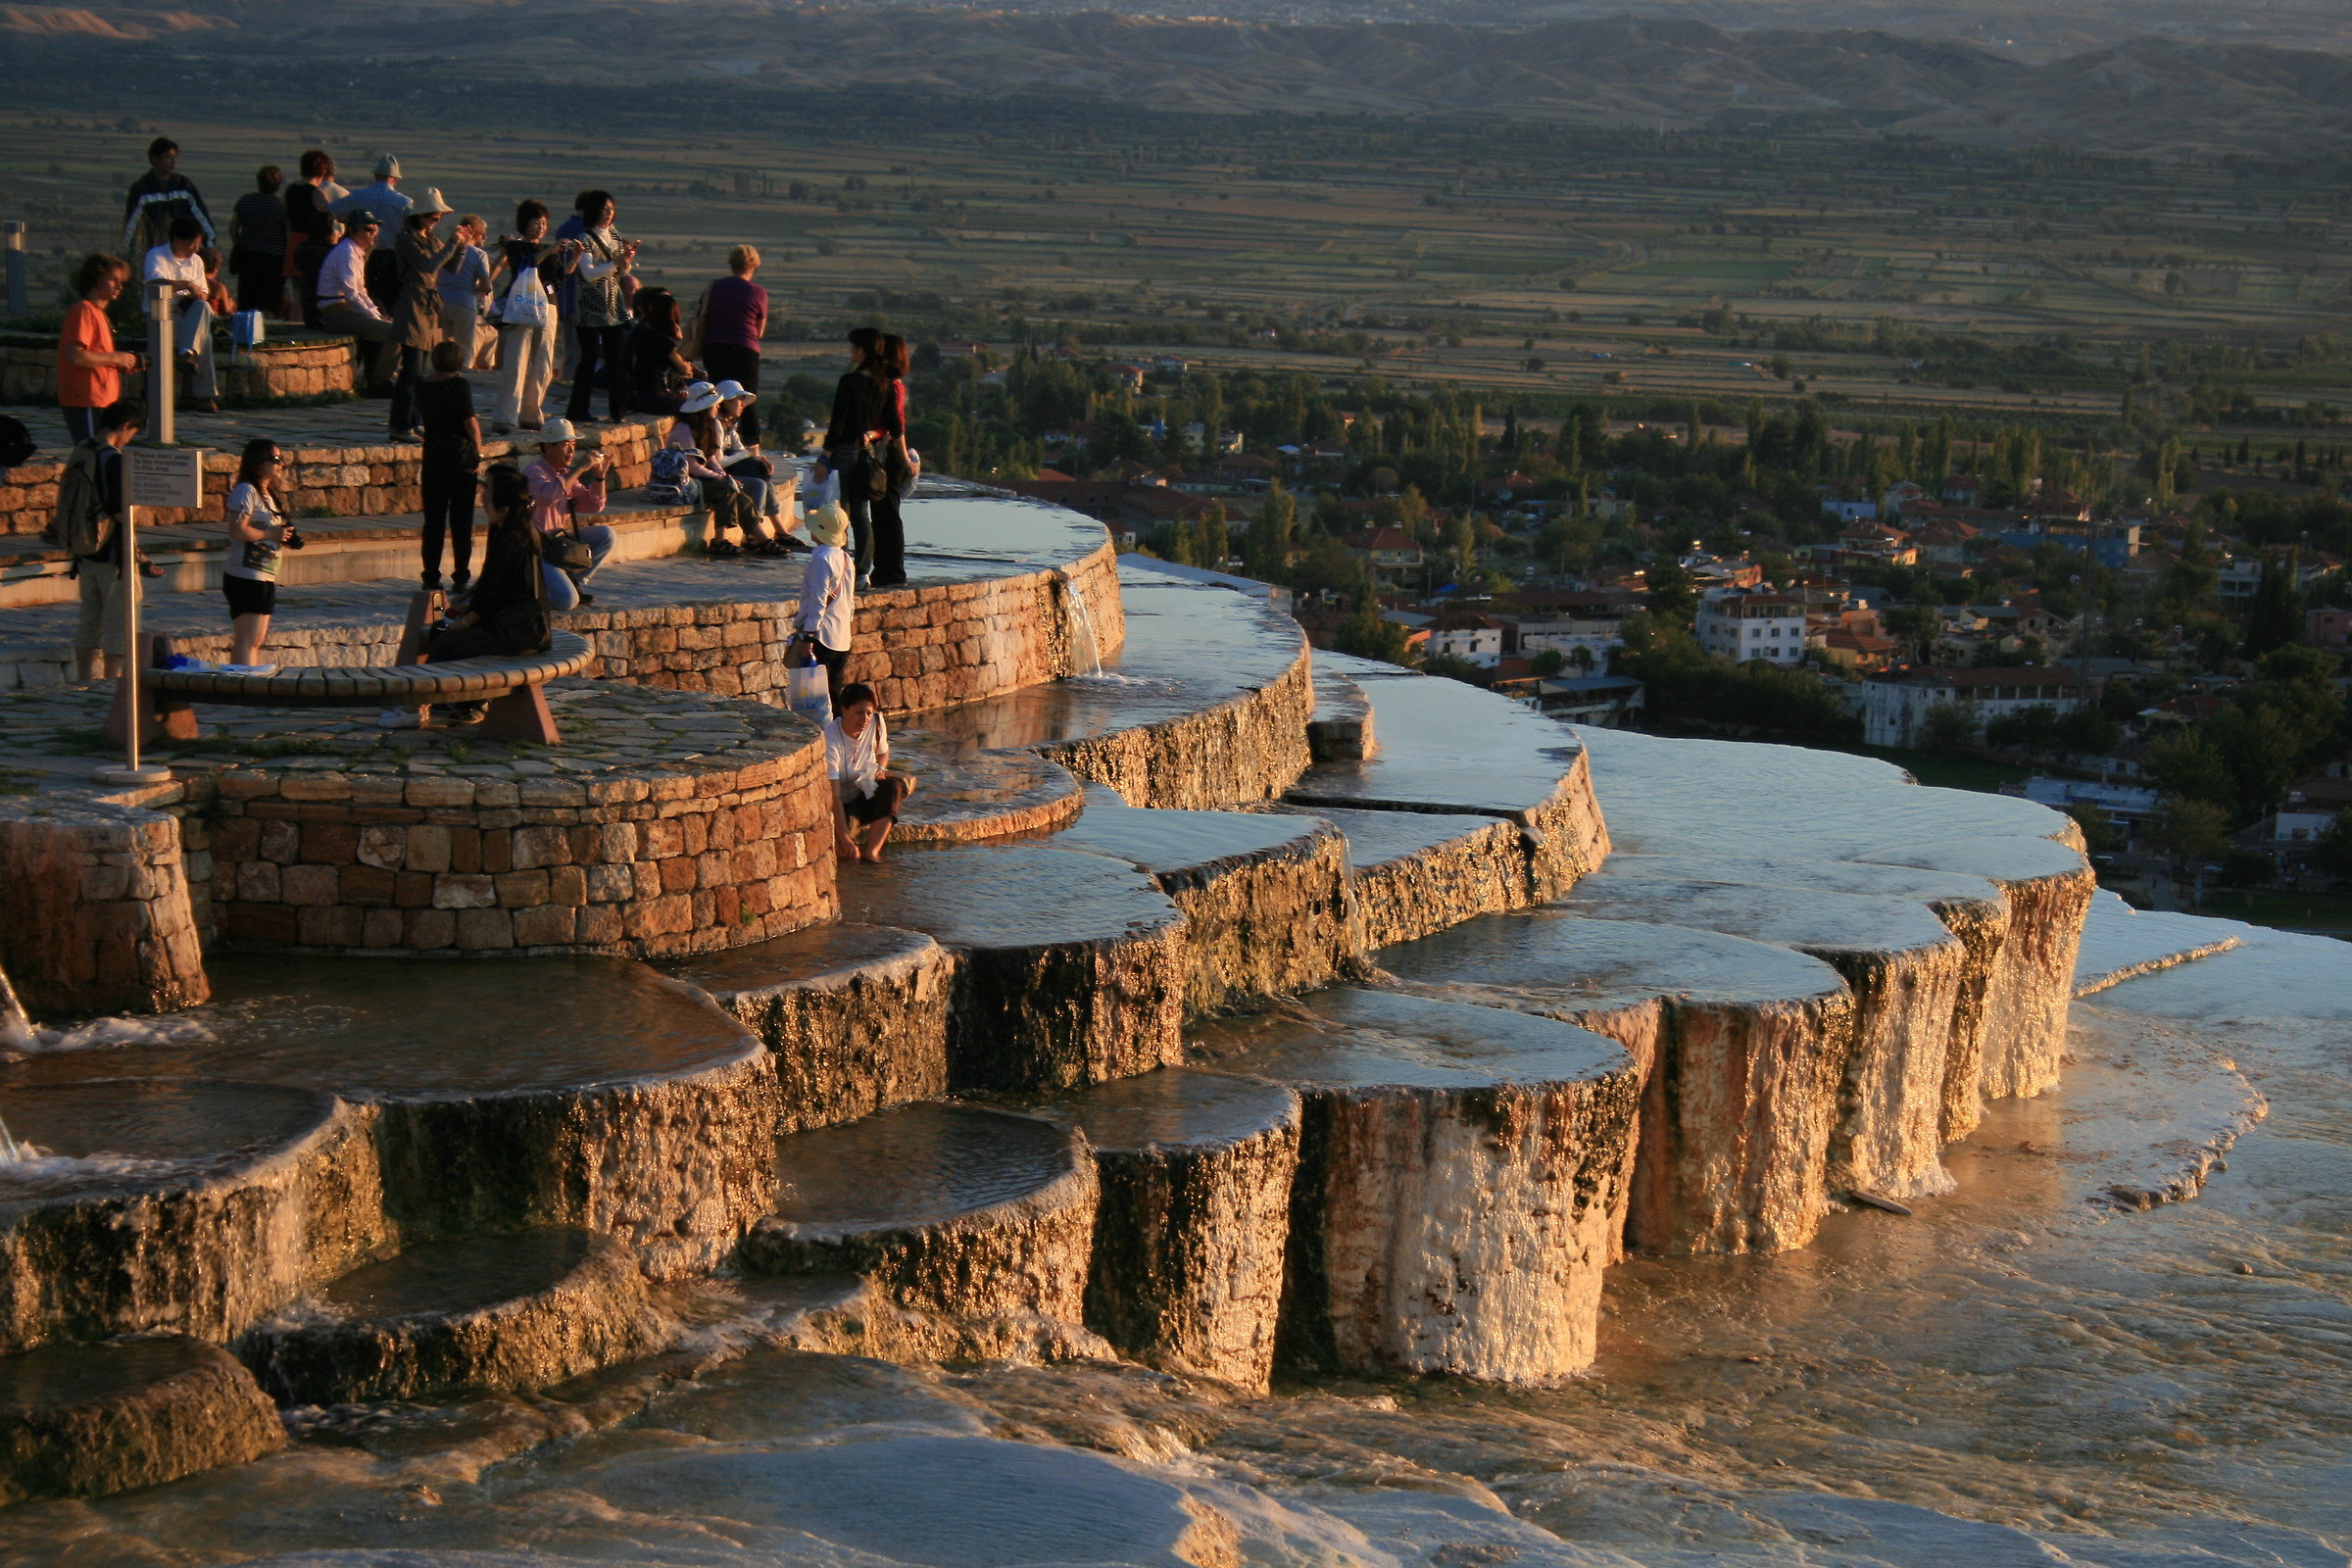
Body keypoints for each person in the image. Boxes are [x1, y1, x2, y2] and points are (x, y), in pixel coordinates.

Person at [417, 465, 550, 726]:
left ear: (504, 509)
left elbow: (494, 597)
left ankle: (420, 705)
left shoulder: (512, 539)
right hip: (518, 625)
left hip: (518, 631)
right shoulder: (511, 530)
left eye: (488, 496)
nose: (482, 500)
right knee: (441, 632)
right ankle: (455, 700)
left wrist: (464, 622)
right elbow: (490, 586)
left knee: (446, 642)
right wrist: (462, 607)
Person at [814, 326, 906, 587]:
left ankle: (838, 566)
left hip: (844, 452)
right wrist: (903, 458)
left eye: (853, 347)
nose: (850, 352)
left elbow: (838, 423)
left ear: (862, 351)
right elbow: (895, 426)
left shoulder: (849, 381)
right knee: (861, 514)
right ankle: (863, 571)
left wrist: (824, 458)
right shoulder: (885, 384)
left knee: (839, 511)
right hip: (868, 454)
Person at [68, 400, 143, 681]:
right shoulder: (111, 458)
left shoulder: (82, 449)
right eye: (132, 433)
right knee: (119, 623)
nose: (129, 439)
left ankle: (84, 677)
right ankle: (112, 681)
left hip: (84, 550)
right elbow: (119, 511)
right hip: (113, 554)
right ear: (125, 426)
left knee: (88, 621)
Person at [665, 385, 776, 558]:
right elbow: (693, 467)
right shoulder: (684, 429)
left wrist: (725, 476)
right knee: (725, 489)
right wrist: (720, 479)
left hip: (698, 480)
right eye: (714, 404)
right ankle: (720, 541)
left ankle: (761, 539)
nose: (717, 407)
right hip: (684, 484)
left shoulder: (704, 427)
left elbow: (711, 459)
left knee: (736, 492)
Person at [389, 191, 463, 440]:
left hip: (428, 307)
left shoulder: (431, 240)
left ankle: (414, 420)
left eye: (439, 216)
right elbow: (428, 265)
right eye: (433, 215)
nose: (436, 219)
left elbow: (452, 266)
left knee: (420, 372)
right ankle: (401, 425)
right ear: (419, 215)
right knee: (410, 370)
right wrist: (452, 244)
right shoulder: (406, 240)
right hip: (412, 304)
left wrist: (461, 247)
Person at [490, 200, 568, 432]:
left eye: (544, 222)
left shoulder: (549, 250)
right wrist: (550, 250)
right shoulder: (516, 247)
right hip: (522, 306)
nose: (541, 226)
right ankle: (506, 415)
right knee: (516, 360)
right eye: (537, 221)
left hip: (548, 307)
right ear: (525, 223)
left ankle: (532, 413)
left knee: (543, 363)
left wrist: (571, 260)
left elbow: (556, 281)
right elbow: (526, 265)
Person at [523, 418, 615, 608]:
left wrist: (599, 476)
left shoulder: (565, 475)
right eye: (566, 445)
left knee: (606, 535)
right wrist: (580, 468)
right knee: (566, 601)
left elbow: (593, 505)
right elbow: (547, 497)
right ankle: (523, 592)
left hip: (557, 543)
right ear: (549, 447)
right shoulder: (533, 472)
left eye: (573, 445)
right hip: (537, 548)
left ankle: (575, 582)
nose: (572, 451)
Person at [221, 438, 296, 668]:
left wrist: (283, 536)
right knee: (246, 640)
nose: (281, 464)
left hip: (265, 574)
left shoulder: (268, 494)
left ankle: (247, 682)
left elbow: (267, 529)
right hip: (245, 575)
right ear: (257, 463)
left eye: (282, 459)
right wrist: (270, 535)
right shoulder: (245, 490)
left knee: (256, 640)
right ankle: (241, 687)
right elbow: (236, 530)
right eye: (275, 459)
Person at [564, 191, 637, 426]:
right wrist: (616, 263)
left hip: (612, 305)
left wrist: (625, 262)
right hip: (589, 307)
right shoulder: (584, 238)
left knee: (616, 359)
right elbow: (588, 273)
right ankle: (578, 409)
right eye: (605, 208)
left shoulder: (614, 236)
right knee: (588, 359)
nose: (609, 213)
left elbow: (620, 273)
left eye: (612, 208)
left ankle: (619, 409)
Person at [823, 682, 913, 864]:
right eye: (859, 712)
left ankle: (873, 853)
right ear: (844, 710)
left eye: (869, 712)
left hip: (864, 791)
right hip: (839, 804)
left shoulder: (877, 723)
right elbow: (834, 796)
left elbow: (883, 752)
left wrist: (880, 769)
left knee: (893, 787)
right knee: (845, 853)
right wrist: (844, 838)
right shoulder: (830, 739)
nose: (865, 718)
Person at [416, 340, 481, 592]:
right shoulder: (459, 385)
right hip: (460, 457)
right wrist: (479, 451)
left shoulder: (421, 386)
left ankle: (430, 575)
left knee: (433, 521)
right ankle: (461, 575)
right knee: (461, 520)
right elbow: (470, 423)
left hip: (433, 457)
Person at [57, 254, 138, 447]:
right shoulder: (83, 311)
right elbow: (75, 356)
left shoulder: (99, 314)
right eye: (113, 280)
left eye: (121, 281)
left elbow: (97, 356)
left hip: (102, 399)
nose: (119, 287)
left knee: (100, 455)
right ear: (96, 279)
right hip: (86, 398)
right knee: (91, 455)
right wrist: (115, 357)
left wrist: (121, 363)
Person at [143, 217, 220, 415]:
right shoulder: (157, 256)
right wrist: (185, 285)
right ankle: (205, 396)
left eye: (198, 244)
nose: (195, 248)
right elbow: (155, 284)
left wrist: (199, 293)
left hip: (190, 312)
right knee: (206, 339)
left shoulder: (196, 262)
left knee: (203, 307)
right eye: (191, 243)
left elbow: (204, 291)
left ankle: (187, 354)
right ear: (177, 240)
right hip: (164, 313)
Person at [318, 212, 399, 395]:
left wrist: (376, 315)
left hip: (345, 309)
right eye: (368, 229)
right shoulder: (347, 252)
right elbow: (352, 295)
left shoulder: (355, 251)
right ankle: (378, 382)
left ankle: (374, 377)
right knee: (396, 333)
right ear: (353, 230)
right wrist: (374, 318)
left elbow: (361, 291)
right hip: (336, 311)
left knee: (387, 327)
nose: (373, 233)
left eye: (375, 229)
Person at [692, 245, 766, 447]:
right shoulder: (758, 293)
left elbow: (702, 314)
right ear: (753, 265)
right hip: (745, 349)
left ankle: (713, 442)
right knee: (747, 397)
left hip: (715, 347)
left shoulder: (715, 286)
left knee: (718, 397)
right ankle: (751, 446)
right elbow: (759, 331)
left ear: (731, 264)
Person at [713, 379, 798, 543]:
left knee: (763, 474)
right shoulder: (717, 424)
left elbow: (739, 450)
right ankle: (754, 529)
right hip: (716, 472)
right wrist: (748, 453)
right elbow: (719, 461)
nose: (742, 405)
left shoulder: (728, 424)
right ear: (727, 402)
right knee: (760, 483)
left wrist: (761, 459)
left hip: (725, 469)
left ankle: (774, 531)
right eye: (740, 400)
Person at [792, 501, 856, 702]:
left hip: (822, 636)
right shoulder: (845, 558)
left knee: (817, 697)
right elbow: (850, 601)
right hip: (841, 636)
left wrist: (808, 637)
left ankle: (826, 732)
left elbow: (818, 601)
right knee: (834, 692)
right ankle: (836, 730)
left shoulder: (821, 560)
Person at [329, 155, 411, 311]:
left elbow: (333, 211)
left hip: (362, 255)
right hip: (392, 258)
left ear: (375, 176)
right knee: (389, 300)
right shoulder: (404, 203)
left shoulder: (357, 197)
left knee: (362, 294)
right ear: (395, 179)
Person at [122, 136, 213, 258]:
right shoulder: (141, 190)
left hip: (185, 253)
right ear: (154, 159)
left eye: (175, 158)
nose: (173, 162)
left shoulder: (184, 186)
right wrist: (128, 255)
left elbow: (202, 219)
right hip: (154, 253)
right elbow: (131, 227)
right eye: (168, 158)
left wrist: (209, 247)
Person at [283, 150, 342, 326]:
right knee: (309, 291)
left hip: (293, 241)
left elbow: (286, 218)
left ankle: (293, 325)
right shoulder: (315, 193)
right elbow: (330, 217)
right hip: (311, 245)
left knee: (297, 292)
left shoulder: (290, 190)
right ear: (322, 170)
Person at [435, 213, 494, 374]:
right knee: (465, 347)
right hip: (464, 303)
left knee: (443, 345)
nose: (485, 238)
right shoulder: (479, 254)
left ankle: (441, 373)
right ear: (476, 233)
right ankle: (462, 377)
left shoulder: (447, 249)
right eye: (482, 234)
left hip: (440, 301)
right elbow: (486, 286)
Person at [625, 287, 696, 416]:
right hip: (655, 397)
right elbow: (685, 369)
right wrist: (682, 341)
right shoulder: (665, 342)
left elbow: (634, 364)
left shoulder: (645, 334)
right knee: (700, 406)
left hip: (638, 396)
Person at [226, 166, 287, 316]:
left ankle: (245, 335)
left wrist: (241, 244)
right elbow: (287, 233)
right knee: (269, 304)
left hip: (248, 258)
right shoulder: (281, 207)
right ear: (278, 184)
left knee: (247, 303)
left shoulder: (246, 201)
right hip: (274, 260)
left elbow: (232, 230)